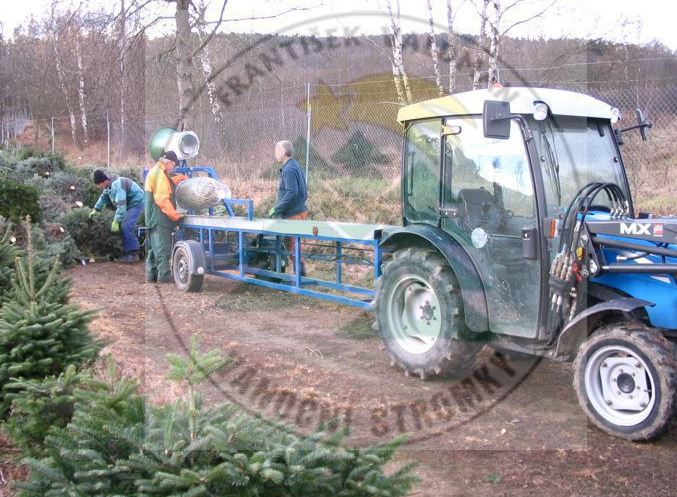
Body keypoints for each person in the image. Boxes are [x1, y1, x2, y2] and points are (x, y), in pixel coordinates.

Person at [143, 150, 188, 283]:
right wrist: (176, 216)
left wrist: (178, 179)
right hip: (159, 220)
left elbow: (164, 185)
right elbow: (162, 199)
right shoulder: (159, 175)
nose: (173, 168)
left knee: (153, 251)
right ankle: (164, 280)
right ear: (170, 163)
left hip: (152, 219)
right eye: (174, 166)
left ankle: (151, 278)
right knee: (163, 251)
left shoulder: (157, 172)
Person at [270, 140, 309, 276]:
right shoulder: (295, 166)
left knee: (293, 244)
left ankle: (299, 277)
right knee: (292, 243)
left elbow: (292, 193)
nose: (275, 154)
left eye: (276, 150)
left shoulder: (289, 169)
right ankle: (298, 275)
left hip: (294, 213)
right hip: (297, 210)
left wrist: (277, 209)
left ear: (283, 152)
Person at [90, 170, 144, 263]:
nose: (98, 187)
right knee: (126, 224)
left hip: (137, 202)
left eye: (98, 184)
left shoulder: (117, 186)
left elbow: (121, 205)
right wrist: (96, 209)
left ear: (102, 182)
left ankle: (133, 254)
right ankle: (131, 248)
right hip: (129, 204)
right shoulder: (108, 185)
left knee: (126, 225)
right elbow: (104, 197)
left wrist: (116, 220)